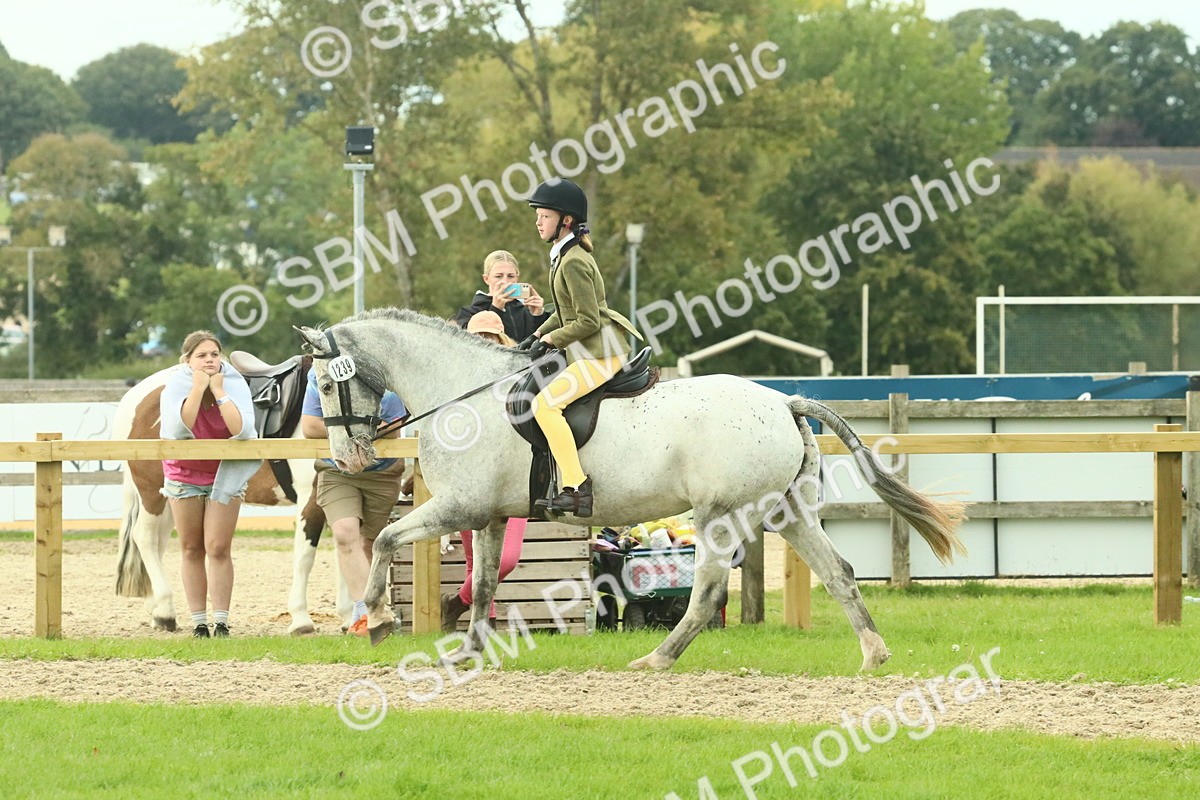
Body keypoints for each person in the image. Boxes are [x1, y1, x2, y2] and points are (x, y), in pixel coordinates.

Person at [519, 178, 641, 517]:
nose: (538, 222)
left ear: (566, 221)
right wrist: (538, 333)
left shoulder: (573, 260)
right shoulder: (564, 255)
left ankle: (576, 487)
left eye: (544, 216)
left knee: (545, 406)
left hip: (601, 351)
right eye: (539, 216)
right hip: (589, 349)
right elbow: (564, 311)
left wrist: (551, 340)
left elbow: (587, 320)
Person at [159, 331, 258, 638]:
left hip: (224, 473)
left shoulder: (234, 382)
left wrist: (218, 392)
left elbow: (242, 429)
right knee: (191, 547)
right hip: (184, 474)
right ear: (187, 361)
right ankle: (199, 622)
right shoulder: (177, 384)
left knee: (218, 547)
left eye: (214, 354)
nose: (210, 360)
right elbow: (178, 428)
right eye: (201, 355)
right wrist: (197, 388)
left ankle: (222, 621)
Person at [301, 370, 407, 636]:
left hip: (382, 473)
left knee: (368, 543)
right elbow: (309, 427)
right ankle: (365, 613)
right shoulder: (318, 379)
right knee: (344, 533)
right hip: (336, 469)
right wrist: (359, 429)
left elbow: (393, 430)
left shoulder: (384, 381)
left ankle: (373, 614)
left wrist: (342, 428)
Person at [441, 313, 528, 631]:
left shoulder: (518, 376)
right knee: (475, 560)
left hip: (512, 480)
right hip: (470, 480)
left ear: (501, 340)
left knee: (506, 558)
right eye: (478, 336)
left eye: (490, 337)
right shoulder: (454, 382)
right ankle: (484, 625)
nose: (484, 342)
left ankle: (455, 604)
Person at [454, 250, 549, 340]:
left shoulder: (526, 311)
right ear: (486, 279)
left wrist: (538, 316)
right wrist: (496, 310)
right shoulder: (468, 314)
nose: (505, 281)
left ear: (517, 278)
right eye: (498, 276)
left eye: (511, 276)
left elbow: (540, 347)